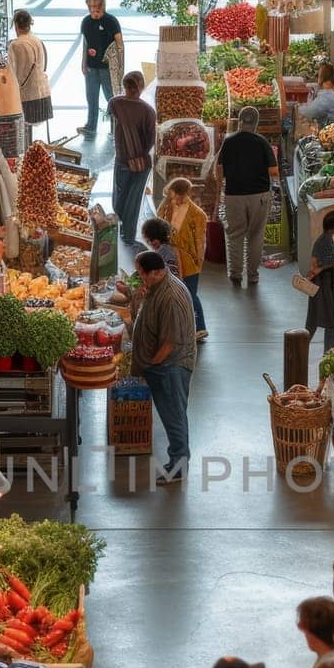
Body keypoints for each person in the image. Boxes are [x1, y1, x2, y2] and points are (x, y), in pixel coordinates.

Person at [130, 250, 196, 483]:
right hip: (162, 366)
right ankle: (178, 459)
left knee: (173, 415)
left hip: (170, 367)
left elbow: (170, 342)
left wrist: (151, 364)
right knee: (173, 413)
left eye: (141, 273)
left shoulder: (170, 297)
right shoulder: (157, 286)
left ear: (155, 273)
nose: (139, 276)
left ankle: (178, 466)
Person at [216, 106, 277, 287]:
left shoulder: (229, 142)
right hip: (259, 195)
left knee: (235, 235)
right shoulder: (262, 142)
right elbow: (273, 170)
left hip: (234, 195)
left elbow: (219, 168)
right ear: (256, 123)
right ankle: (253, 275)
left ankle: (235, 274)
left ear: (240, 121)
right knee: (255, 236)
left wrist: (221, 187)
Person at [157, 175, 209, 342]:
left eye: (180, 195)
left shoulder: (197, 215)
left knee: (190, 294)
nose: (177, 199)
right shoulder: (166, 207)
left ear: (187, 194)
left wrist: (198, 261)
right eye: (174, 195)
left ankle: (200, 327)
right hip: (168, 257)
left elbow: (200, 241)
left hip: (189, 261)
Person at [109, 71, 156, 244]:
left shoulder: (115, 103)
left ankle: (117, 223)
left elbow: (112, 113)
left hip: (122, 158)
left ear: (124, 86)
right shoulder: (148, 111)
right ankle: (128, 235)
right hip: (141, 162)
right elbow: (151, 140)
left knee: (120, 193)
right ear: (142, 87)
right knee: (134, 199)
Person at [78, 0, 123, 136]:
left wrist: (120, 66)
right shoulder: (86, 22)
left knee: (111, 97)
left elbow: (120, 44)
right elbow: (85, 43)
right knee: (91, 97)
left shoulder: (111, 21)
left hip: (107, 67)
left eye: (97, 7)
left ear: (103, 6)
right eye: (91, 6)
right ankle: (91, 126)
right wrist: (83, 63)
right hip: (91, 67)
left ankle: (115, 125)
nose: (94, 10)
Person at [303, 207, 334, 354]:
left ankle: (301, 350)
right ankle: (327, 355)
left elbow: (315, 262)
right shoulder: (327, 242)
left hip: (323, 286)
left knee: (315, 322)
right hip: (326, 287)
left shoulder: (324, 240)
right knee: (331, 322)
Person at [7, 10, 52, 129]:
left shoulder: (15, 45)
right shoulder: (37, 40)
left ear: (16, 25)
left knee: (23, 129)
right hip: (43, 93)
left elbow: (13, 72)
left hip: (28, 97)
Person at [303, 64, 334, 128]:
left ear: (321, 77)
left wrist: (296, 108)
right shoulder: (328, 93)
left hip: (326, 130)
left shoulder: (326, 96)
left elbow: (309, 112)